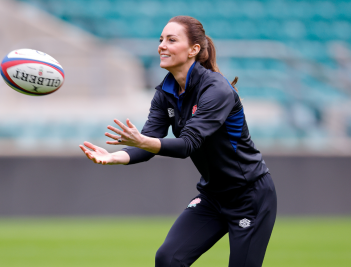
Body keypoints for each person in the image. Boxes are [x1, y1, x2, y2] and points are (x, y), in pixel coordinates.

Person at [80, 16, 277, 267]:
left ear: (194, 49)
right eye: (161, 40)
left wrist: (142, 141)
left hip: (249, 196)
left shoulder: (217, 89)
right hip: (213, 196)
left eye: (171, 40)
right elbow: (148, 145)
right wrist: (114, 156)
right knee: (168, 259)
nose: (162, 45)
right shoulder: (166, 92)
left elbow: (187, 145)